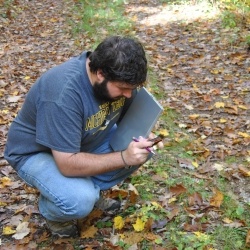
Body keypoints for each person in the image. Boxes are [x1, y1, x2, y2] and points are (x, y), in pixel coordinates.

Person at [4, 36, 162, 238]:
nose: (129, 95)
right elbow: (67, 164)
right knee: (78, 199)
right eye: (123, 89)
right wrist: (124, 158)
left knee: (143, 148)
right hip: (35, 153)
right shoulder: (63, 94)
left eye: (132, 89)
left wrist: (143, 133)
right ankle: (52, 211)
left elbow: (127, 118)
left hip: (82, 140)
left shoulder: (115, 76)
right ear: (100, 73)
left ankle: (86, 188)